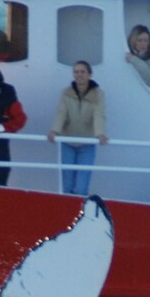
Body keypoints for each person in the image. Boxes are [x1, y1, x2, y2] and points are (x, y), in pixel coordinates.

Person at [47, 61, 107, 196]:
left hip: (87, 144)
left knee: (81, 188)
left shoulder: (98, 94)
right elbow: (61, 113)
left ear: (89, 74)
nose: (79, 75)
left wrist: (100, 134)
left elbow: (99, 115)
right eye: (76, 72)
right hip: (68, 143)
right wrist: (54, 130)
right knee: (67, 187)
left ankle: (79, 214)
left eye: (82, 72)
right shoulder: (66, 93)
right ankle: (66, 214)